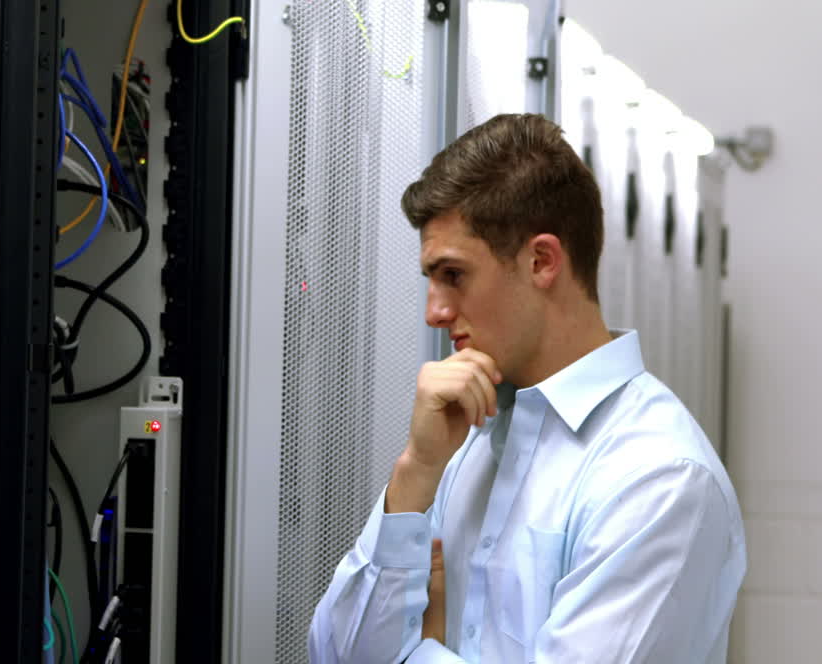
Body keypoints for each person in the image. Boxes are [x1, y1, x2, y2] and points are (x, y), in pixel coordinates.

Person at [307, 114, 745, 663]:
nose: (435, 313)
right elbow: (332, 651)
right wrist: (416, 469)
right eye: (431, 279)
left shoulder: (658, 479)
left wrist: (412, 650)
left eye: (454, 275)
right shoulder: (465, 440)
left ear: (542, 262)